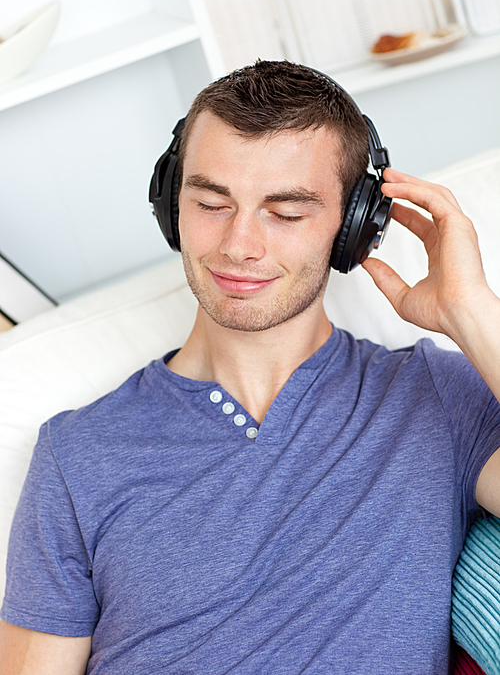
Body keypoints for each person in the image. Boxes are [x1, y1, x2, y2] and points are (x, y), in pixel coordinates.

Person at [1, 60, 500, 675]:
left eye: (285, 213)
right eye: (212, 202)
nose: (239, 245)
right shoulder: (74, 454)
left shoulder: (433, 395)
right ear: (170, 207)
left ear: (352, 228)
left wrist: (471, 312)